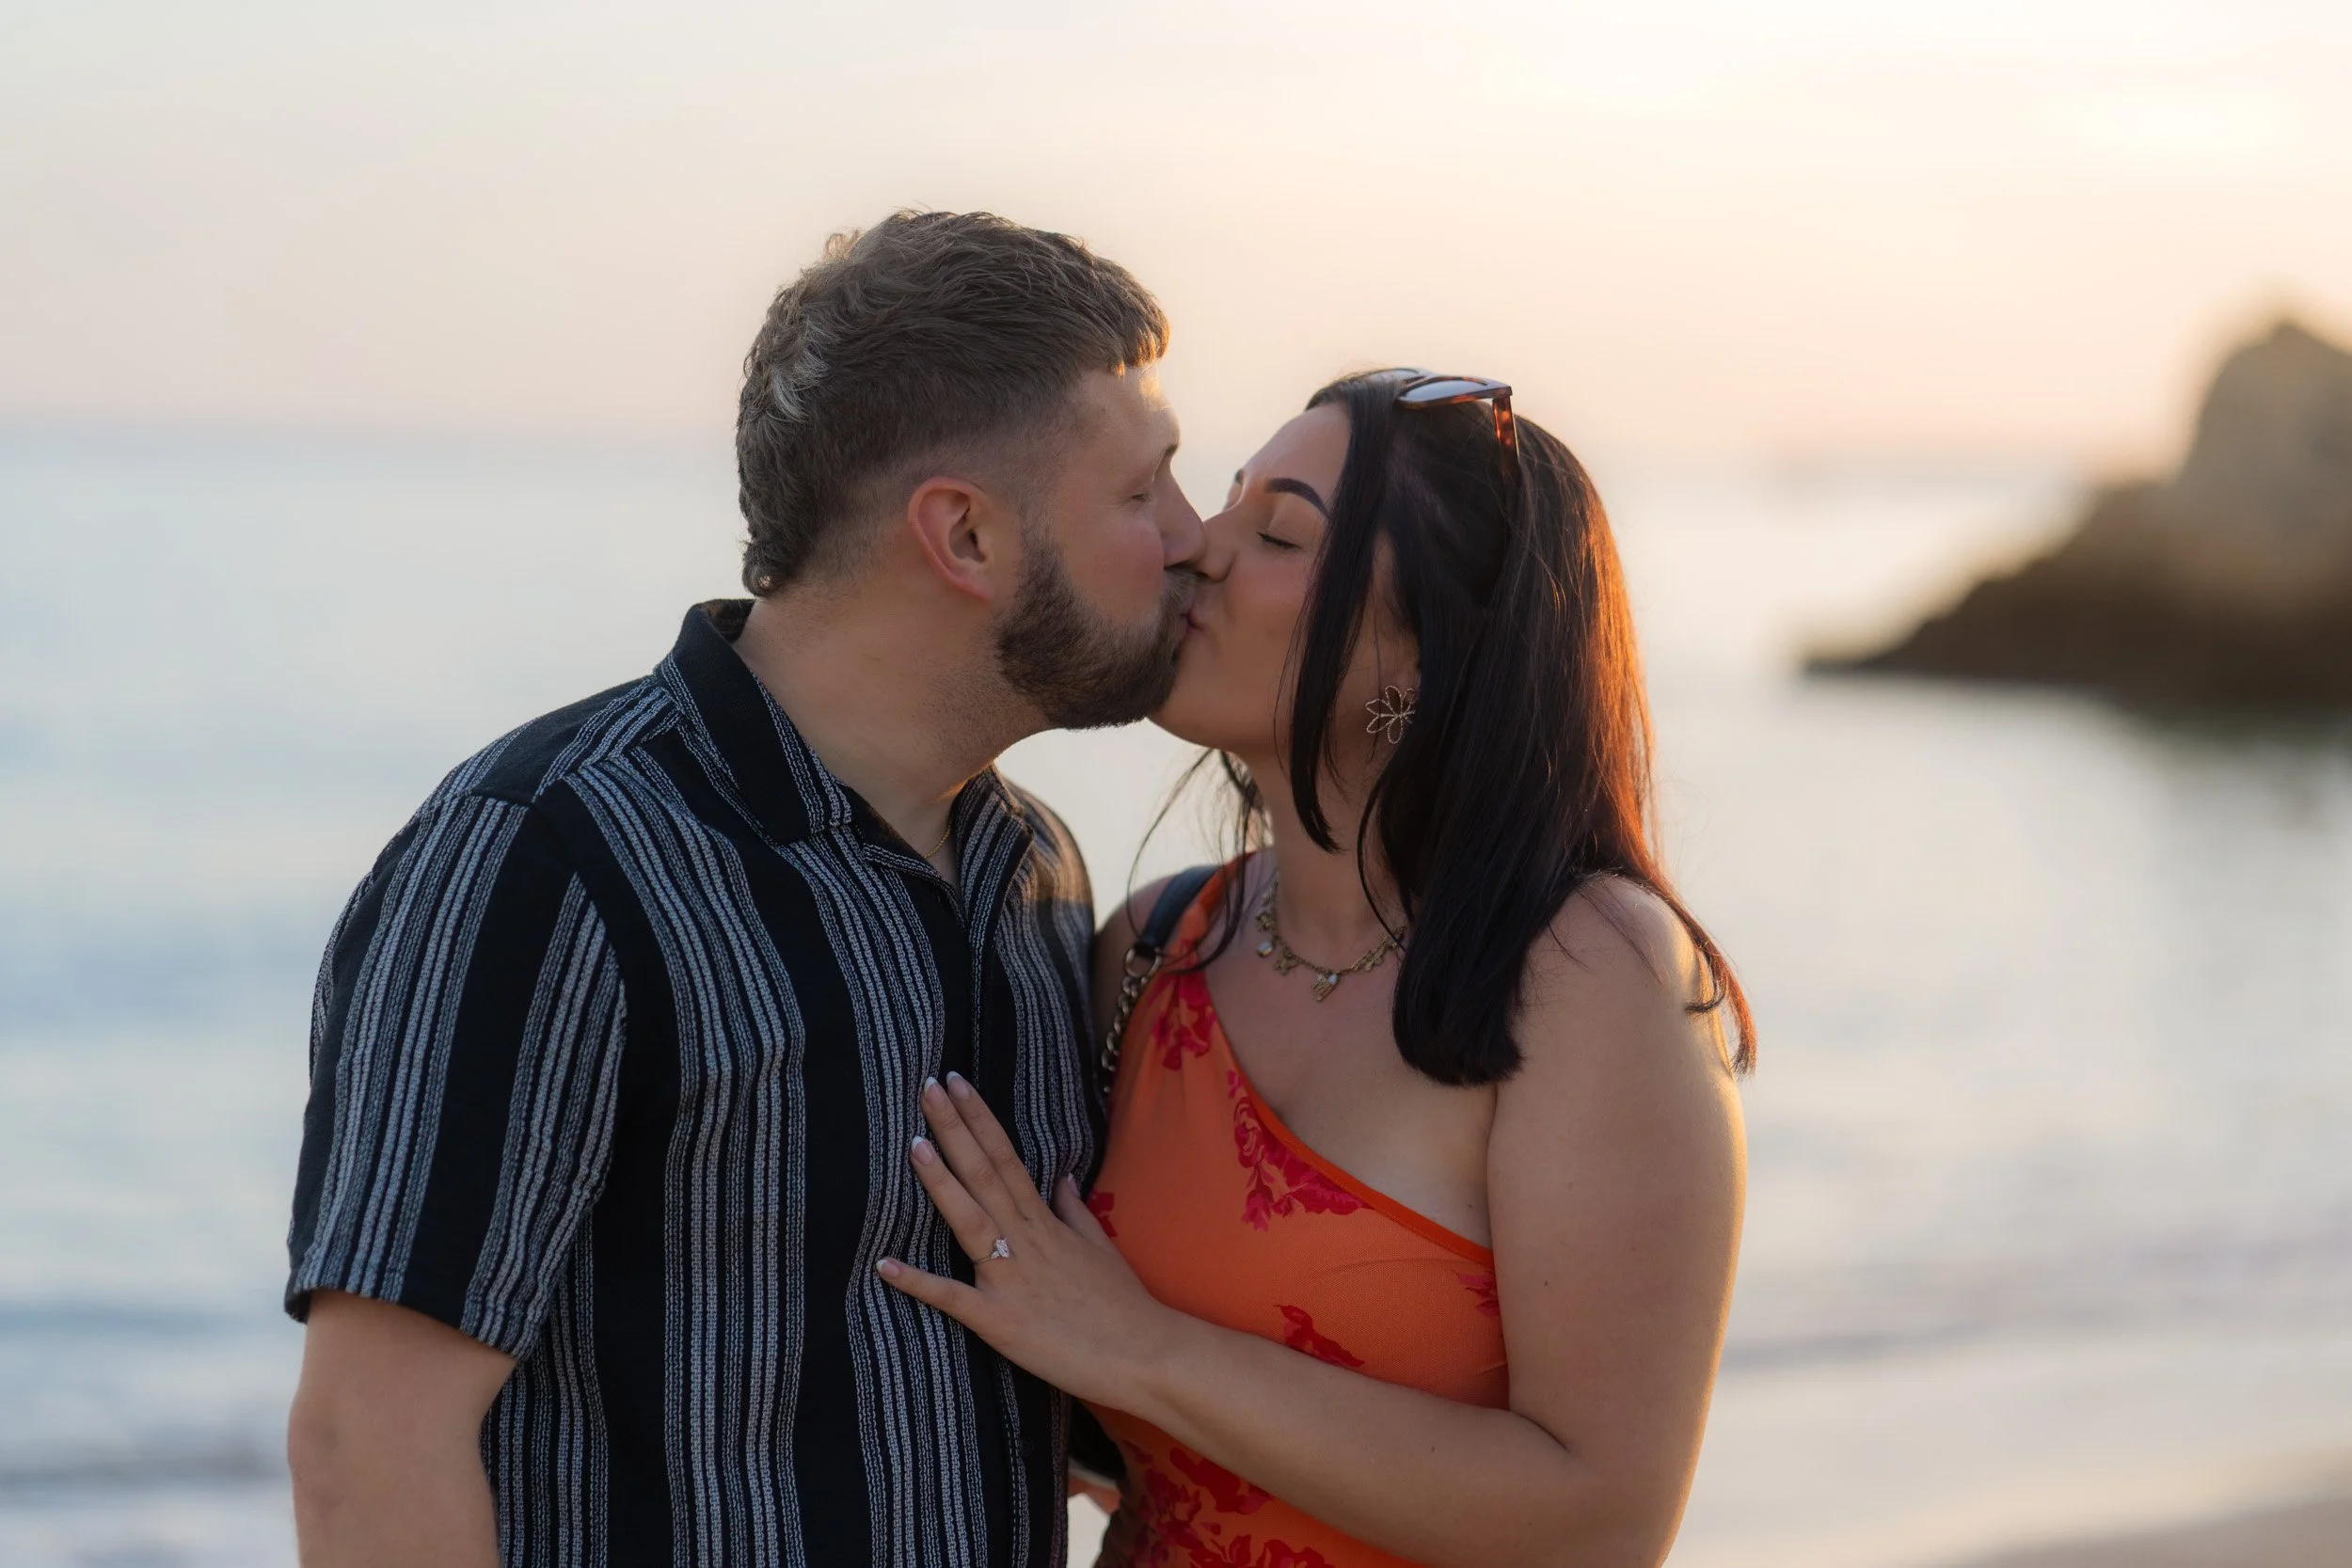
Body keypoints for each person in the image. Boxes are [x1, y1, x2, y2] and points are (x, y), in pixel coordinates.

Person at [281, 210, 1204, 1568]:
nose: (1197, 536)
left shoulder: (1037, 870)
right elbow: (370, 1448)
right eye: (1144, 493)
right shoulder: (549, 855)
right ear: (965, 535)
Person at [879, 372, 1753, 1567]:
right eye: (1223, 505)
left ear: (1422, 662)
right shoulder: (1151, 951)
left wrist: (1141, 1347)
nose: (1195, 549)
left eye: (1278, 532)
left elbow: (1603, 1523)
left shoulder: (1585, 973)